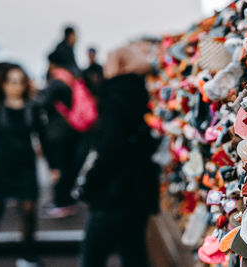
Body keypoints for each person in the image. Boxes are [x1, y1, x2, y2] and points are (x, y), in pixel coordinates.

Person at [80, 44, 160, 267]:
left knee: (92, 255)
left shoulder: (116, 96)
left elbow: (109, 148)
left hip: (113, 193)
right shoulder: (137, 92)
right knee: (133, 252)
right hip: (137, 191)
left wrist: (91, 182)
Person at [0, 64, 53, 265]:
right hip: (1, 163)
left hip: (25, 163)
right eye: (11, 82)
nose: (15, 86)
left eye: (19, 82)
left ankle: (29, 252)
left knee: (28, 209)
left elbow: (43, 136)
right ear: (3, 84)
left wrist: (53, 165)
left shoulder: (33, 107)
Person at [38, 49, 97, 218]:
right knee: (69, 168)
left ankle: (61, 202)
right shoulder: (73, 78)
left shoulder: (57, 81)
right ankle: (68, 201)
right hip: (74, 129)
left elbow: (45, 105)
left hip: (59, 132)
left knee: (60, 169)